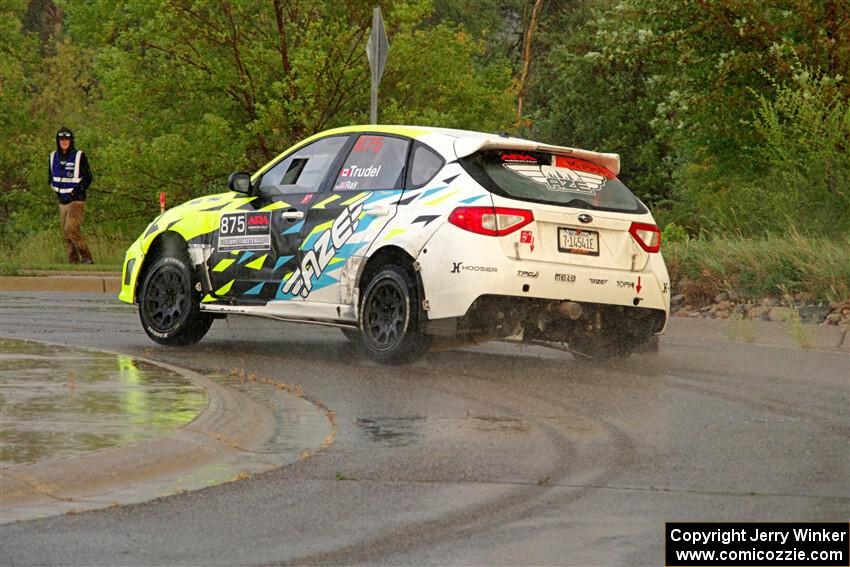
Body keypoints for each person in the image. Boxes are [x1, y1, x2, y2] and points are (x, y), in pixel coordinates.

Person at [49, 127, 93, 264]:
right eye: (61, 139)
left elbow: (88, 177)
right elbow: (50, 176)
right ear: (58, 141)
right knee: (66, 234)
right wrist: (55, 190)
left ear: (71, 140)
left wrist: (77, 191)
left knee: (71, 229)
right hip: (62, 200)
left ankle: (87, 257)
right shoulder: (52, 156)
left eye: (67, 139)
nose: (64, 142)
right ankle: (73, 262)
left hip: (76, 200)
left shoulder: (79, 155)